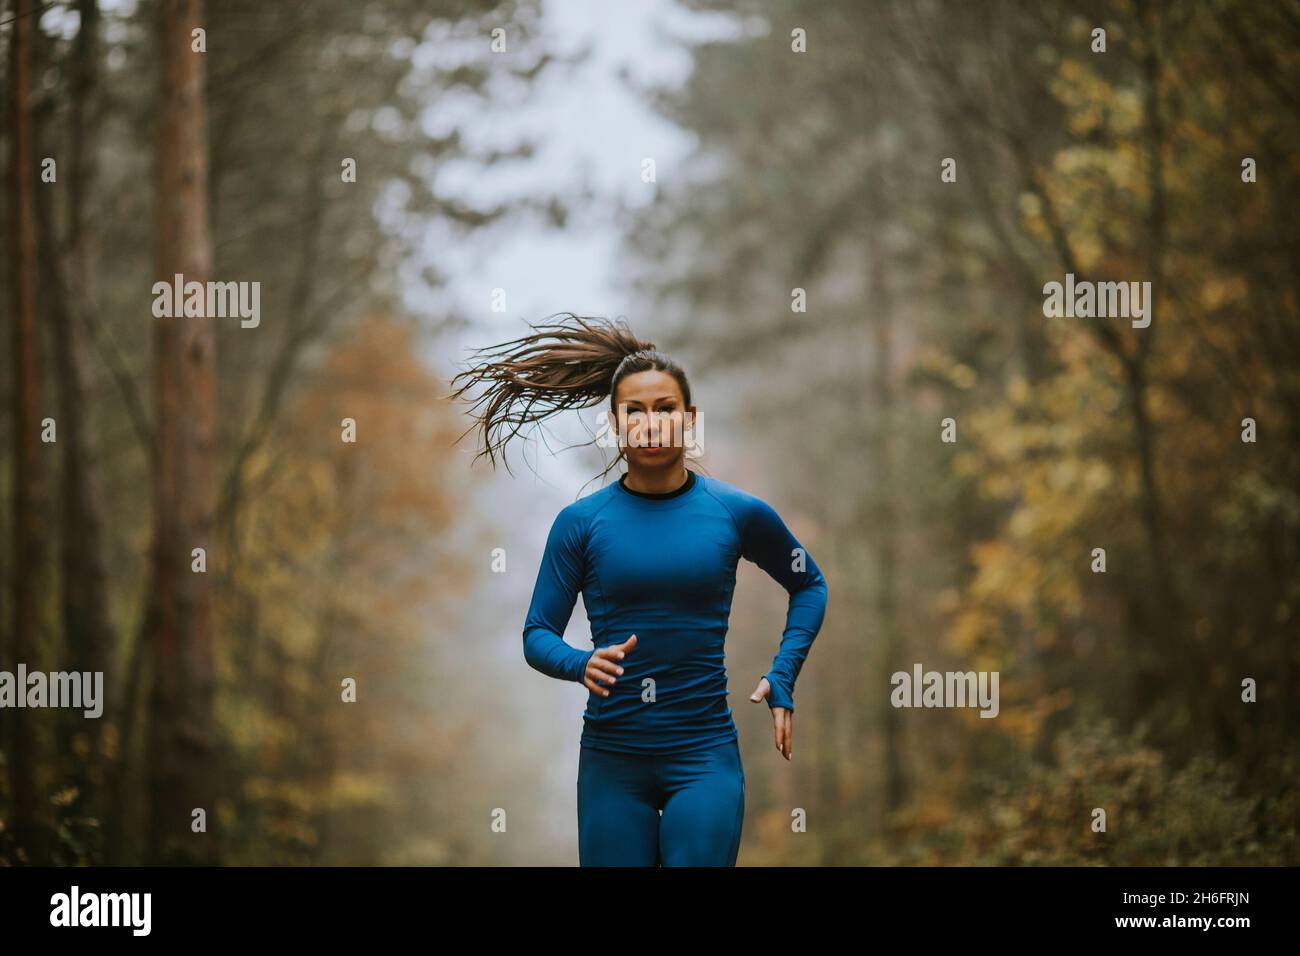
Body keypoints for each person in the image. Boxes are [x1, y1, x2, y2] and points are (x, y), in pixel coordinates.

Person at [450, 313, 829, 866]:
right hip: (612, 764)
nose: (651, 424)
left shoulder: (736, 513)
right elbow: (537, 634)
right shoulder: (580, 523)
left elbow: (809, 584)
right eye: (636, 411)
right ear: (614, 424)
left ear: (690, 419)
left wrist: (783, 674)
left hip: (704, 758)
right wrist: (581, 663)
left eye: (666, 409)